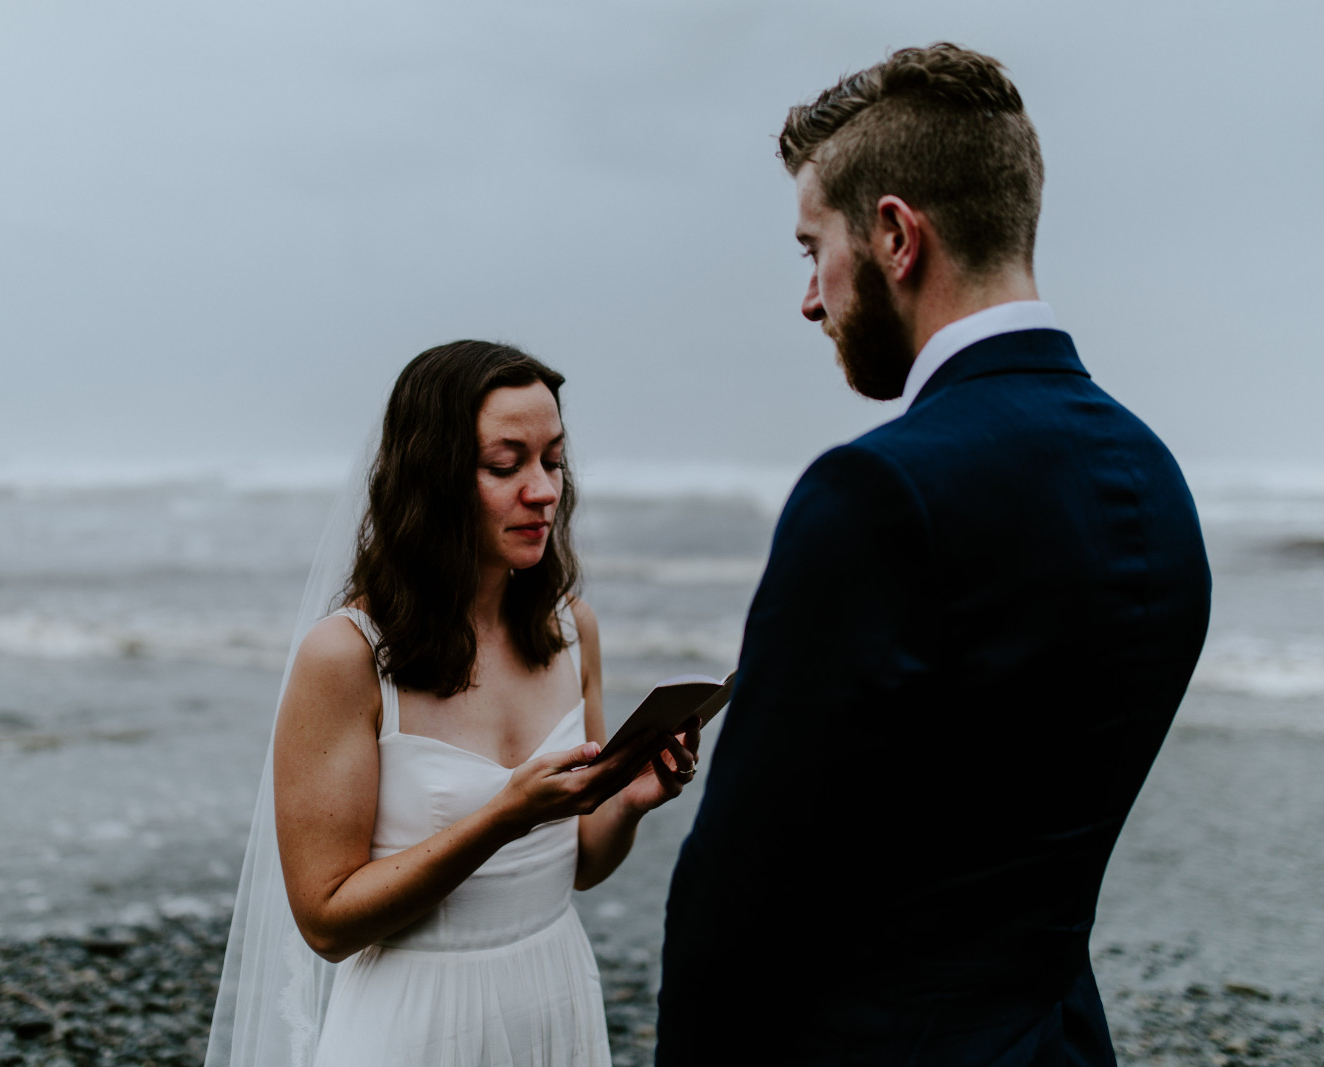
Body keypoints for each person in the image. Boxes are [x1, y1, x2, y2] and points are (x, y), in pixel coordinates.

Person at [657, 44, 1211, 1065]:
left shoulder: (874, 493)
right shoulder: (1153, 480)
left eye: (809, 246)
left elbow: (737, 893)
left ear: (895, 235)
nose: (811, 299)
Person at [206, 340, 700, 1067]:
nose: (543, 490)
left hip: (554, 990)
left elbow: (579, 864)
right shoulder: (347, 655)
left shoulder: (569, 628)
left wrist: (626, 803)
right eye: (506, 464)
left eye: (553, 460)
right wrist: (502, 815)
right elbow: (326, 920)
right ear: (433, 478)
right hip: (415, 1021)